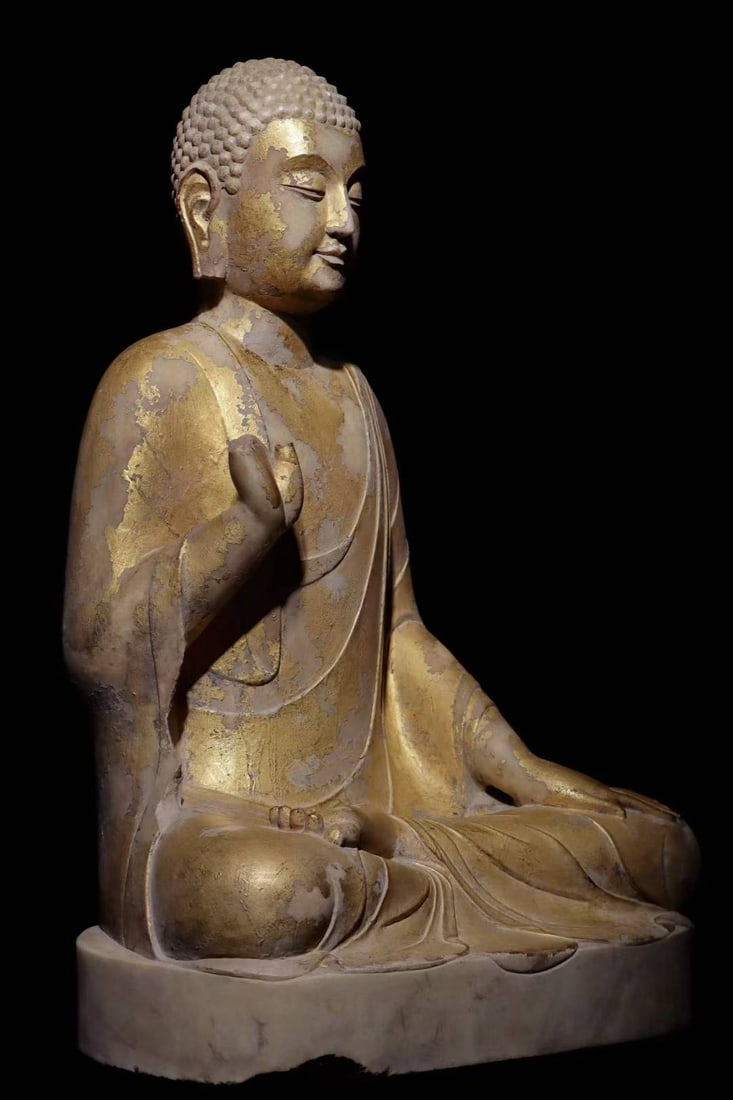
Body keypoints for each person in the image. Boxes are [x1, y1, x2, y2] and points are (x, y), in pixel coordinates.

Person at [64, 59, 698, 977]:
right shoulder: (157, 380)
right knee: (263, 893)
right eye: (308, 189)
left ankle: (396, 853)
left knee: (659, 848)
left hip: (383, 810)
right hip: (223, 818)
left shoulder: (352, 397)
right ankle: (394, 873)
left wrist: (522, 771)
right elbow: (98, 654)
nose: (343, 222)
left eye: (355, 192)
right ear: (205, 210)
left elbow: (400, 639)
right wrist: (240, 534)